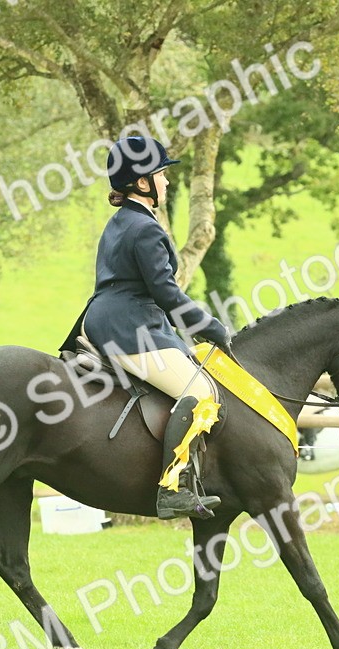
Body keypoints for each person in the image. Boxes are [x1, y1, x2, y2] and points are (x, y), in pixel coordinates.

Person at [59, 137, 230, 520]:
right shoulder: (146, 229)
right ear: (142, 182)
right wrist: (211, 326)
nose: (167, 181)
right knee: (200, 392)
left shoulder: (121, 222)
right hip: (129, 327)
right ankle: (172, 489)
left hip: (106, 319)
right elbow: (166, 293)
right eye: (161, 175)